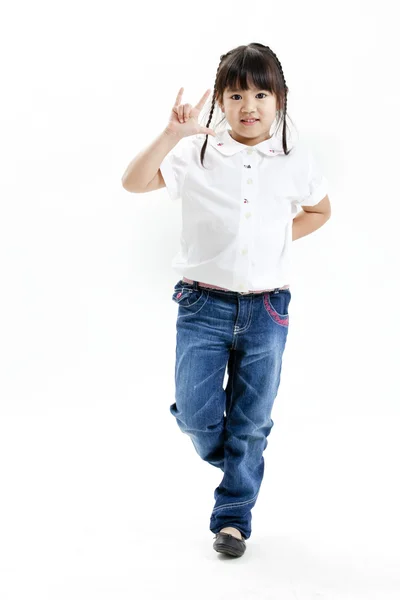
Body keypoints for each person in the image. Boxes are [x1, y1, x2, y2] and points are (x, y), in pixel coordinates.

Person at [121, 42, 331, 558]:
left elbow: (319, 211)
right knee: (195, 415)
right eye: (236, 94)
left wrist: (271, 239)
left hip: (266, 311)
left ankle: (233, 518)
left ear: (280, 100)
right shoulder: (197, 153)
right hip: (202, 307)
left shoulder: (293, 158)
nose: (249, 105)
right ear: (219, 100)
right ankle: (243, 457)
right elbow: (133, 183)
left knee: (253, 418)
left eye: (262, 93)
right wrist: (172, 133)